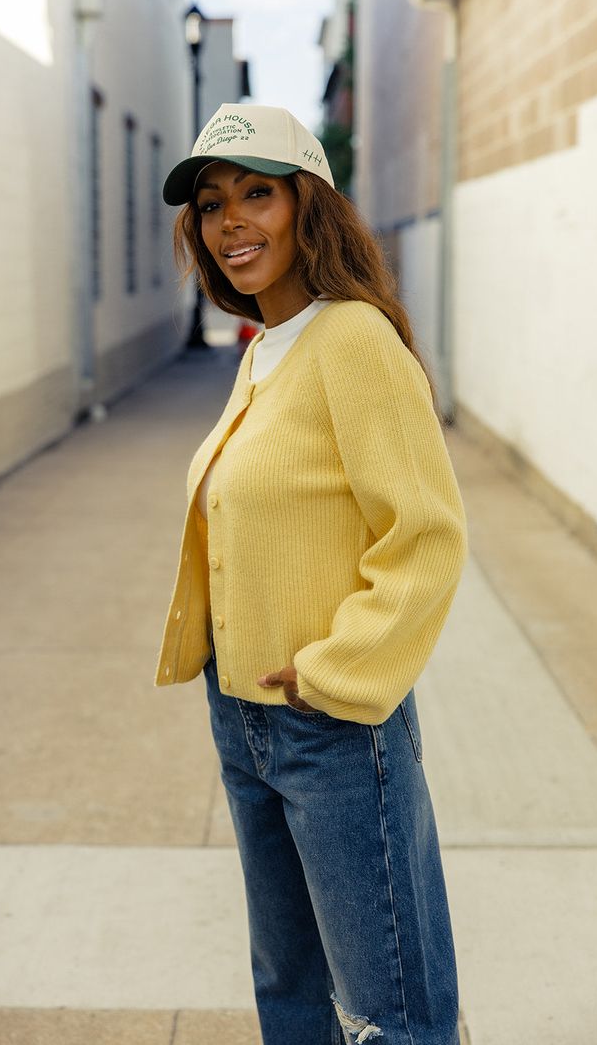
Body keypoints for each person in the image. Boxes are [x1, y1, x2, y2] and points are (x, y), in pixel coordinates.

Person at [156, 102, 468, 1045]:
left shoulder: (353, 340)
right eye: (213, 204)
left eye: (259, 192)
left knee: (390, 1009)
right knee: (289, 987)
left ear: (311, 207)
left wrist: (336, 675)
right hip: (243, 711)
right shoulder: (265, 353)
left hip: (329, 722)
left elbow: (425, 534)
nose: (232, 220)